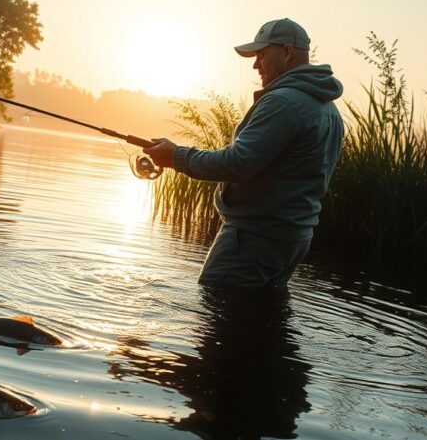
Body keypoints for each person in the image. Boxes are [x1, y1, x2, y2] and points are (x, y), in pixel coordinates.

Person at [144, 18, 344, 289]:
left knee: (217, 312)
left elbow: (238, 162)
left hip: (254, 239)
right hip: (293, 240)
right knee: (261, 320)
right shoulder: (328, 109)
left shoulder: (282, 102)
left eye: (261, 54)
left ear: (286, 52)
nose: (255, 64)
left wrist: (176, 156)